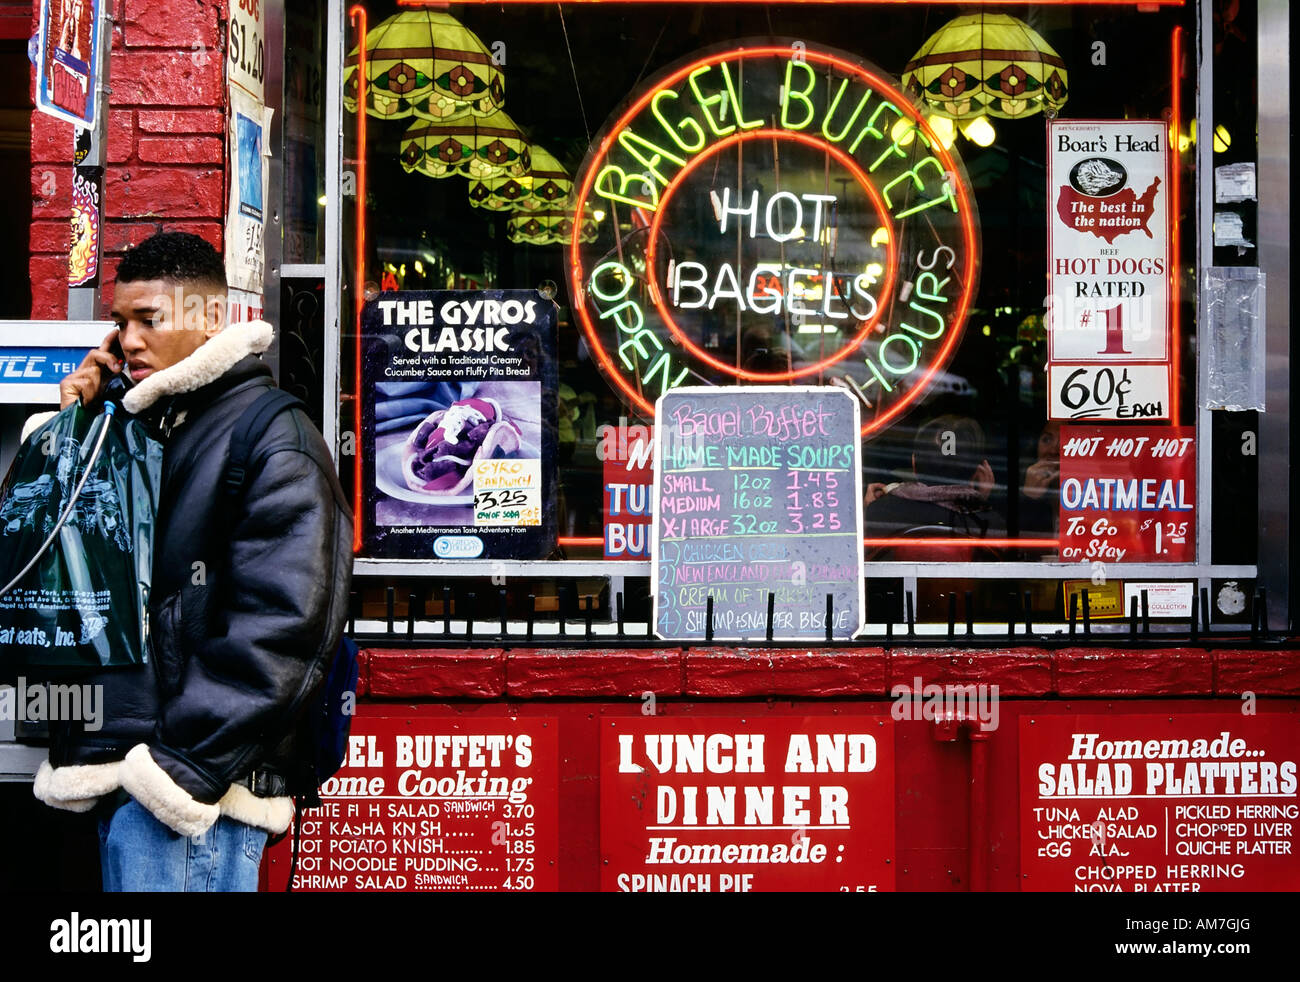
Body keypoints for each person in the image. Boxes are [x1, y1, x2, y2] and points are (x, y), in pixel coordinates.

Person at [30, 231, 353, 892]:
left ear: (210, 318)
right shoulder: (133, 429)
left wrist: (180, 774)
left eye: (150, 319)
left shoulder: (271, 438)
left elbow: (287, 627)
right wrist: (75, 423)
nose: (130, 340)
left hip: (190, 802)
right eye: (120, 323)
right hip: (127, 781)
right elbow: (40, 556)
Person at [864, 415, 994, 559]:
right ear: (979, 471)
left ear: (913, 463)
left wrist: (866, 512)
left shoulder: (877, 515)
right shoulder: (993, 524)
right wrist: (980, 503)